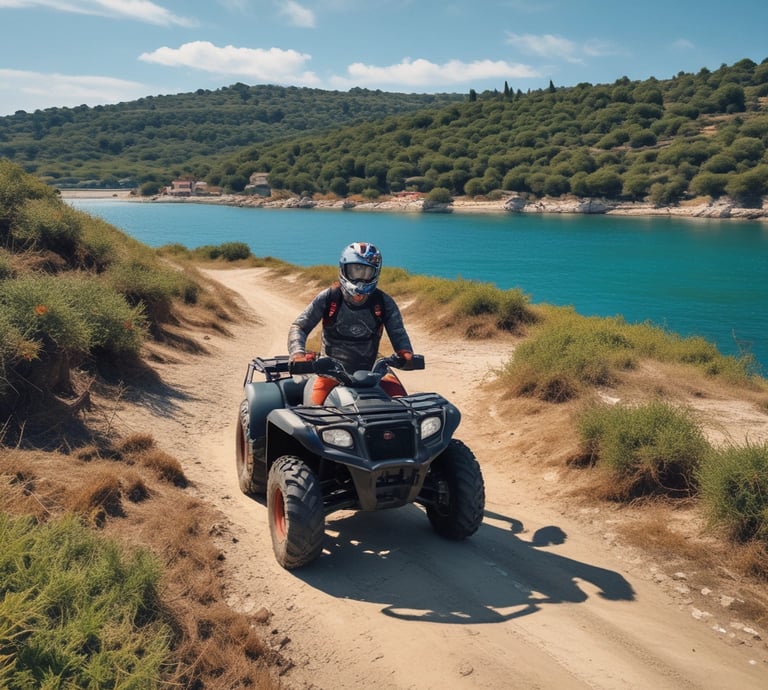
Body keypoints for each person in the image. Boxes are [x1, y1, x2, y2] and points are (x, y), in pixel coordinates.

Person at [288, 242, 414, 405]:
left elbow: (398, 332)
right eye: (355, 270)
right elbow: (300, 326)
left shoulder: (383, 302)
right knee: (315, 415)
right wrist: (298, 354)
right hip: (329, 372)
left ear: (375, 273)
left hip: (373, 371)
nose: (360, 277)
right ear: (343, 269)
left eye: (366, 271)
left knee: (402, 405)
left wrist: (405, 352)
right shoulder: (329, 297)